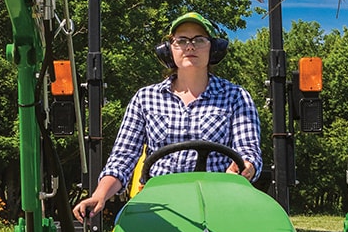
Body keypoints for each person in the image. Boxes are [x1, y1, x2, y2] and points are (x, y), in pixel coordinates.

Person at [72, 12, 262, 221]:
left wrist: (244, 166)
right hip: (160, 204)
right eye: (181, 40)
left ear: (214, 48)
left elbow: (249, 150)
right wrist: (100, 195)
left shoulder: (236, 96)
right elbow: (123, 158)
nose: (190, 46)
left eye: (199, 40)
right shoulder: (145, 98)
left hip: (219, 201)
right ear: (169, 50)